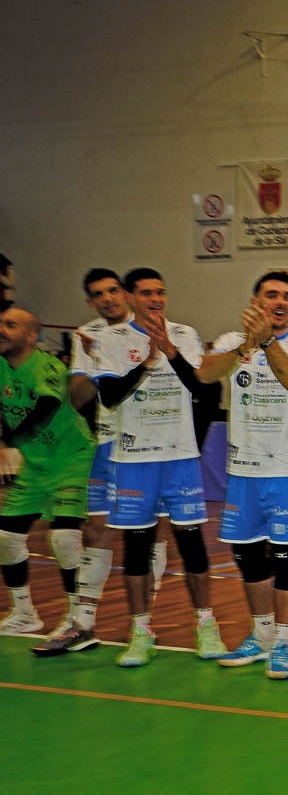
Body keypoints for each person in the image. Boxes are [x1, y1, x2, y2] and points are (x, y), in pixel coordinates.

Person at [89, 268, 227, 666]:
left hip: (179, 459)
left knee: (192, 545)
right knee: (136, 549)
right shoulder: (110, 339)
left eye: (161, 292)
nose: (156, 299)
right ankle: (140, 630)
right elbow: (111, 396)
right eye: (147, 292)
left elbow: (203, 389)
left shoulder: (185, 335)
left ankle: (206, 625)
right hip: (133, 460)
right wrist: (148, 362)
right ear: (130, 297)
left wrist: (170, 351)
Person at [197, 271, 288, 679]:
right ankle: (261, 634)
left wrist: (268, 343)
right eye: (272, 295)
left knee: (285, 557)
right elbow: (205, 373)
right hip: (243, 471)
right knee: (248, 556)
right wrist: (249, 345)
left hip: (287, 470)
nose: (280, 302)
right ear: (255, 301)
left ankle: (284, 643)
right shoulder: (233, 343)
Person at [28, 269, 131, 654]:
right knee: (96, 530)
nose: (107, 299)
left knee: (151, 535)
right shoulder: (88, 335)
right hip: (106, 443)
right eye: (98, 295)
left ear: (125, 293)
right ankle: (82, 622)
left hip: (157, 449)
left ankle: (143, 627)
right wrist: (92, 357)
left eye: (112, 291)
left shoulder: (154, 331)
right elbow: (78, 397)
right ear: (90, 301)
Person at [0, 308, 96, 645]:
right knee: (5, 538)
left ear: (31, 336)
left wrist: (8, 442)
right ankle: (25, 614)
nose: (1, 329)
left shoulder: (48, 367)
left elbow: (46, 408)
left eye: (10, 325)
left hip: (72, 458)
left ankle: (74, 617)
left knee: (64, 538)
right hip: (36, 463)